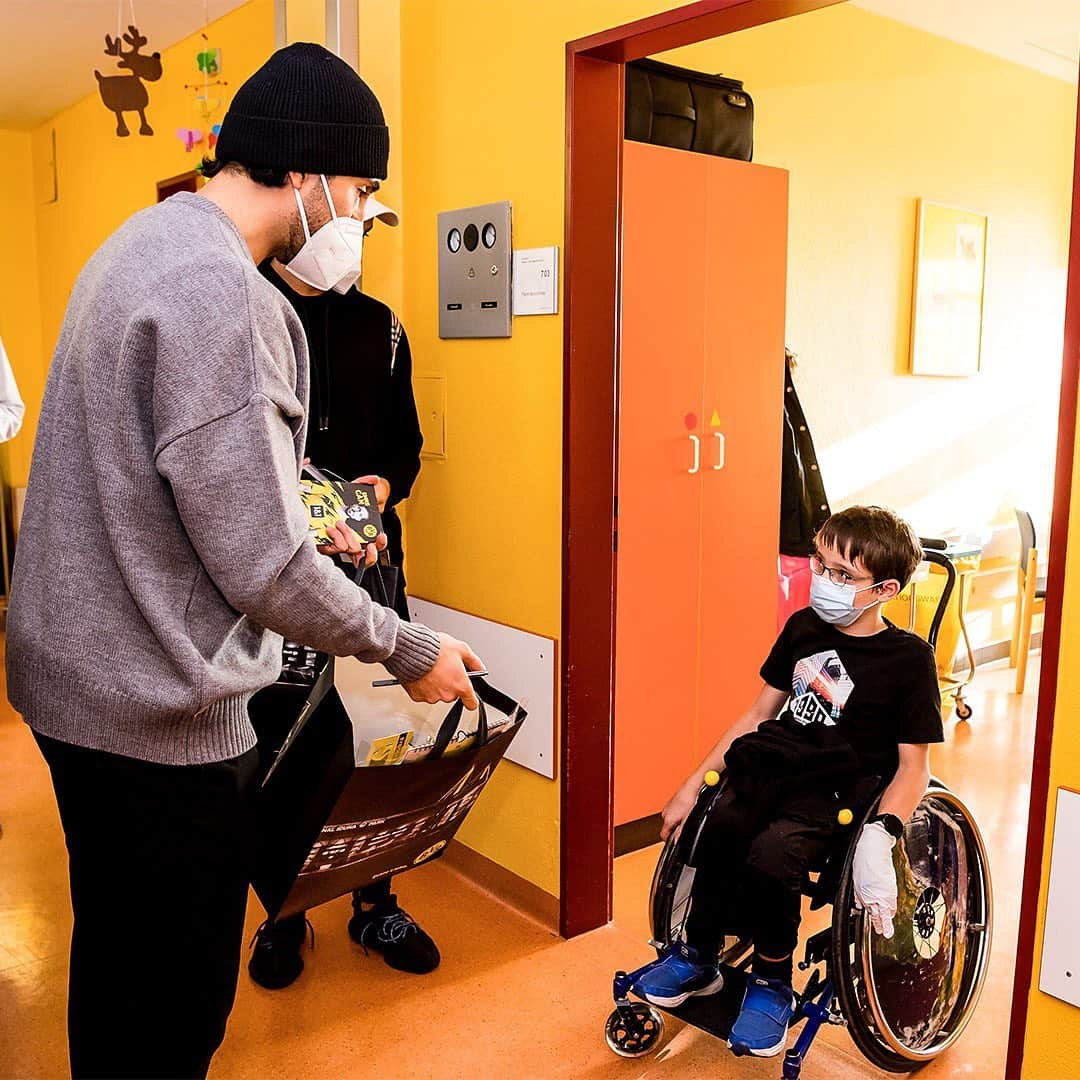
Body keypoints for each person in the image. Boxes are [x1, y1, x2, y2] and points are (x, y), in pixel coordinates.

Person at [6, 43, 482, 1080]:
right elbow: (264, 564)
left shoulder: (141, 244)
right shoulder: (226, 294)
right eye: (361, 191)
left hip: (72, 682)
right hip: (152, 717)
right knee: (173, 1004)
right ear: (308, 171)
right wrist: (406, 648)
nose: (360, 215)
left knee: (118, 963)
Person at [633, 506, 942, 1059]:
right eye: (820, 566)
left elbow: (913, 767)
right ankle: (699, 957)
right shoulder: (803, 628)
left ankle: (773, 981)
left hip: (841, 785)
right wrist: (691, 785)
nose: (824, 582)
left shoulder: (909, 660)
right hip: (777, 762)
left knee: (774, 851)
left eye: (842, 576)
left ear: (885, 589)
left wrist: (882, 833)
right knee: (719, 823)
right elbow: (757, 716)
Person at [247, 196, 437, 988]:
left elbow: (408, 443)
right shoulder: (244, 308)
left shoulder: (382, 326)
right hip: (275, 576)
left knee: (377, 735)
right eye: (349, 214)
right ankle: (284, 911)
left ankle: (374, 898)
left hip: (372, 568)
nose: (354, 236)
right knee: (284, 741)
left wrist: (384, 486)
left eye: (366, 224)